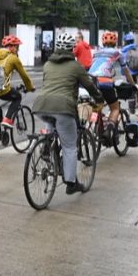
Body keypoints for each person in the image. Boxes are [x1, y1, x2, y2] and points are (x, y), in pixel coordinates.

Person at [33, 32, 105, 195]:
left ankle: (46, 147)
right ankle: (71, 183)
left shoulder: (47, 65)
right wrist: (99, 100)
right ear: (73, 48)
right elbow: (89, 86)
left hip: (42, 106)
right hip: (64, 108)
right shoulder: (76, 66)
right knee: (69, 146)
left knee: (52, 123)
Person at [0, 35, 35, 129]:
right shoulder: (13, 58)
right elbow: (24, 76)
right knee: (17, 97)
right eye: (17, 47)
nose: (18, 49)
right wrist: (30, 87)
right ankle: (8, 119)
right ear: (12, 47)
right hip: (0, 89)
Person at [88, 32, 134, 135]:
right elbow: (125, 71)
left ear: (103, 42)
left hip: (91, 82)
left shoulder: (96, 53)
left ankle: (91, 125)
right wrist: (132, 83)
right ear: (115, 42)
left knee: (97, 106)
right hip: (105, 82)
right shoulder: (118, 53)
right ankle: (109, 129)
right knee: (114, 108)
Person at [120, 32, 138, 103]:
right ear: (133, 41)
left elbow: (123, 64)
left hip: (131, 72)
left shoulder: (124, 51)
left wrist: (123, 73)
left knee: (131, 85)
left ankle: (132, 102)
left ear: (125, 42)